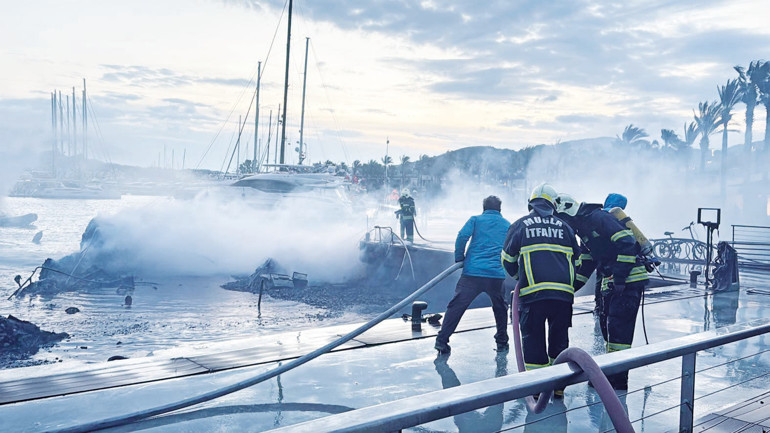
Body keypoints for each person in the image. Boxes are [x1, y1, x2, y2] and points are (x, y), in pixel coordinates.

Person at [554, 193, 649, 390]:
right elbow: (587, 264)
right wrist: (568, 288)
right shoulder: (584, 230)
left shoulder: (598, 218)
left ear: (569, 213)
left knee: (619, 332)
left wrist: (621, 278)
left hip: (629, 281)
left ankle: (618, 381)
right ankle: (610, 375)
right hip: (614, 282)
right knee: (608, 329)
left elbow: (627, 243)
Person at [501, 184, 580, 398]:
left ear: (531, 203)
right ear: (553, 205)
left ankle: (537, 391)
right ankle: (558, 387)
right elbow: (578, 260)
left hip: (533, 295)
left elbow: (507, 260)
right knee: (559, 339)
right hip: (563, 296)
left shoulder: (520, 225)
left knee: (533, 339)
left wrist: (521, 277)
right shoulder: (565, 227)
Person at [434, 195, 510, 354]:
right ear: (500, 209)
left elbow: (462, 236)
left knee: (456, 306)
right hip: (496, 275)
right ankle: (502, 341)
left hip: (473, 273)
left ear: (483, 208)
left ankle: (442, 340)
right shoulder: (507, 225)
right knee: (500, 307)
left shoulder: (475, 220)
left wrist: (459, 258)